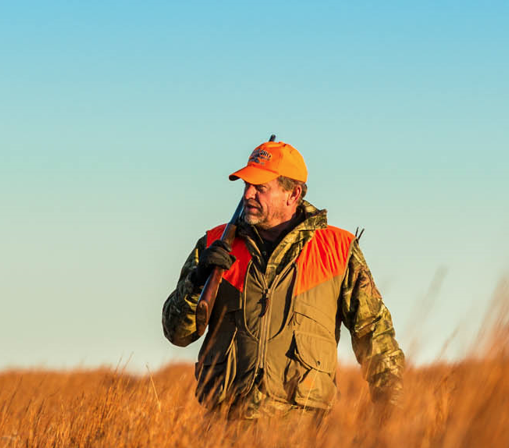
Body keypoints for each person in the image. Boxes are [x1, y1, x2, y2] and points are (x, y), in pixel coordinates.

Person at [161, 140, 404, 416]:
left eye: (260, 188)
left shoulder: (338, 250)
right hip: (224, 435)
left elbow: (375, 335)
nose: (248, 194)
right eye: (246, 185)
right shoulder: (214, 245)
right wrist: (197, 279)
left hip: (304, 440)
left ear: (293, 194)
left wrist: (391, 410)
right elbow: (175, 333)